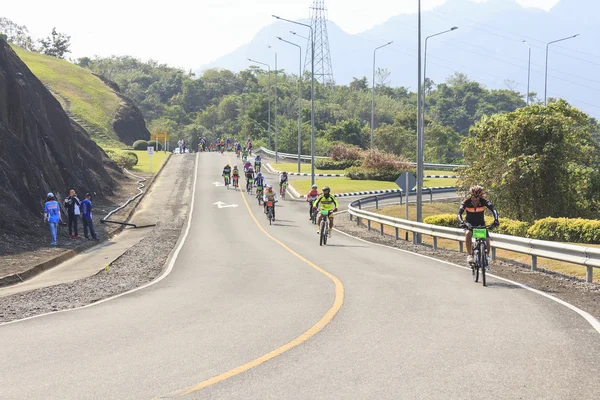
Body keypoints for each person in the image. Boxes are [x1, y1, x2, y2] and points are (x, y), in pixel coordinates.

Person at [457, 185, 499, 264]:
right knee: (468, 233)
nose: (475, 199)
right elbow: (459, 213)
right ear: (471, 195)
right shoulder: (466, 201)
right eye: (473, 197)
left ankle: (486, 258)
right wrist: (461, 222)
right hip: (469, 223)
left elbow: (494, 210)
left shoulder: (484, 201)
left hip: (480, 224)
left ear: (481, 196)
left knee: (486, 240)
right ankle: (470, 255)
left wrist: (496, 220)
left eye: (478, 197)